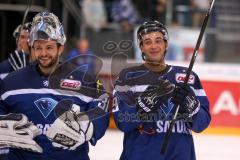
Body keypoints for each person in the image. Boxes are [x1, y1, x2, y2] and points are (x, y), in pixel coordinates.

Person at [0, 12, 109, 160]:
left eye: (49, 47)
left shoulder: (86, 80)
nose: (43, 53)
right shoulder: (10, 82)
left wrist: (89, 127)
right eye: (38, 47)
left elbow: (102, 107)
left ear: (61, 48)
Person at [112, 21, 211, 160]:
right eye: (147, 42)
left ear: (166, 44)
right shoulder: (127, 77)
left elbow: (202, 123)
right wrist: (142, 107)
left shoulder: (188, 77)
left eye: (158, 41)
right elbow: (122, 122)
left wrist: (191, 107)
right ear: (141, 47)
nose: (153, 46)